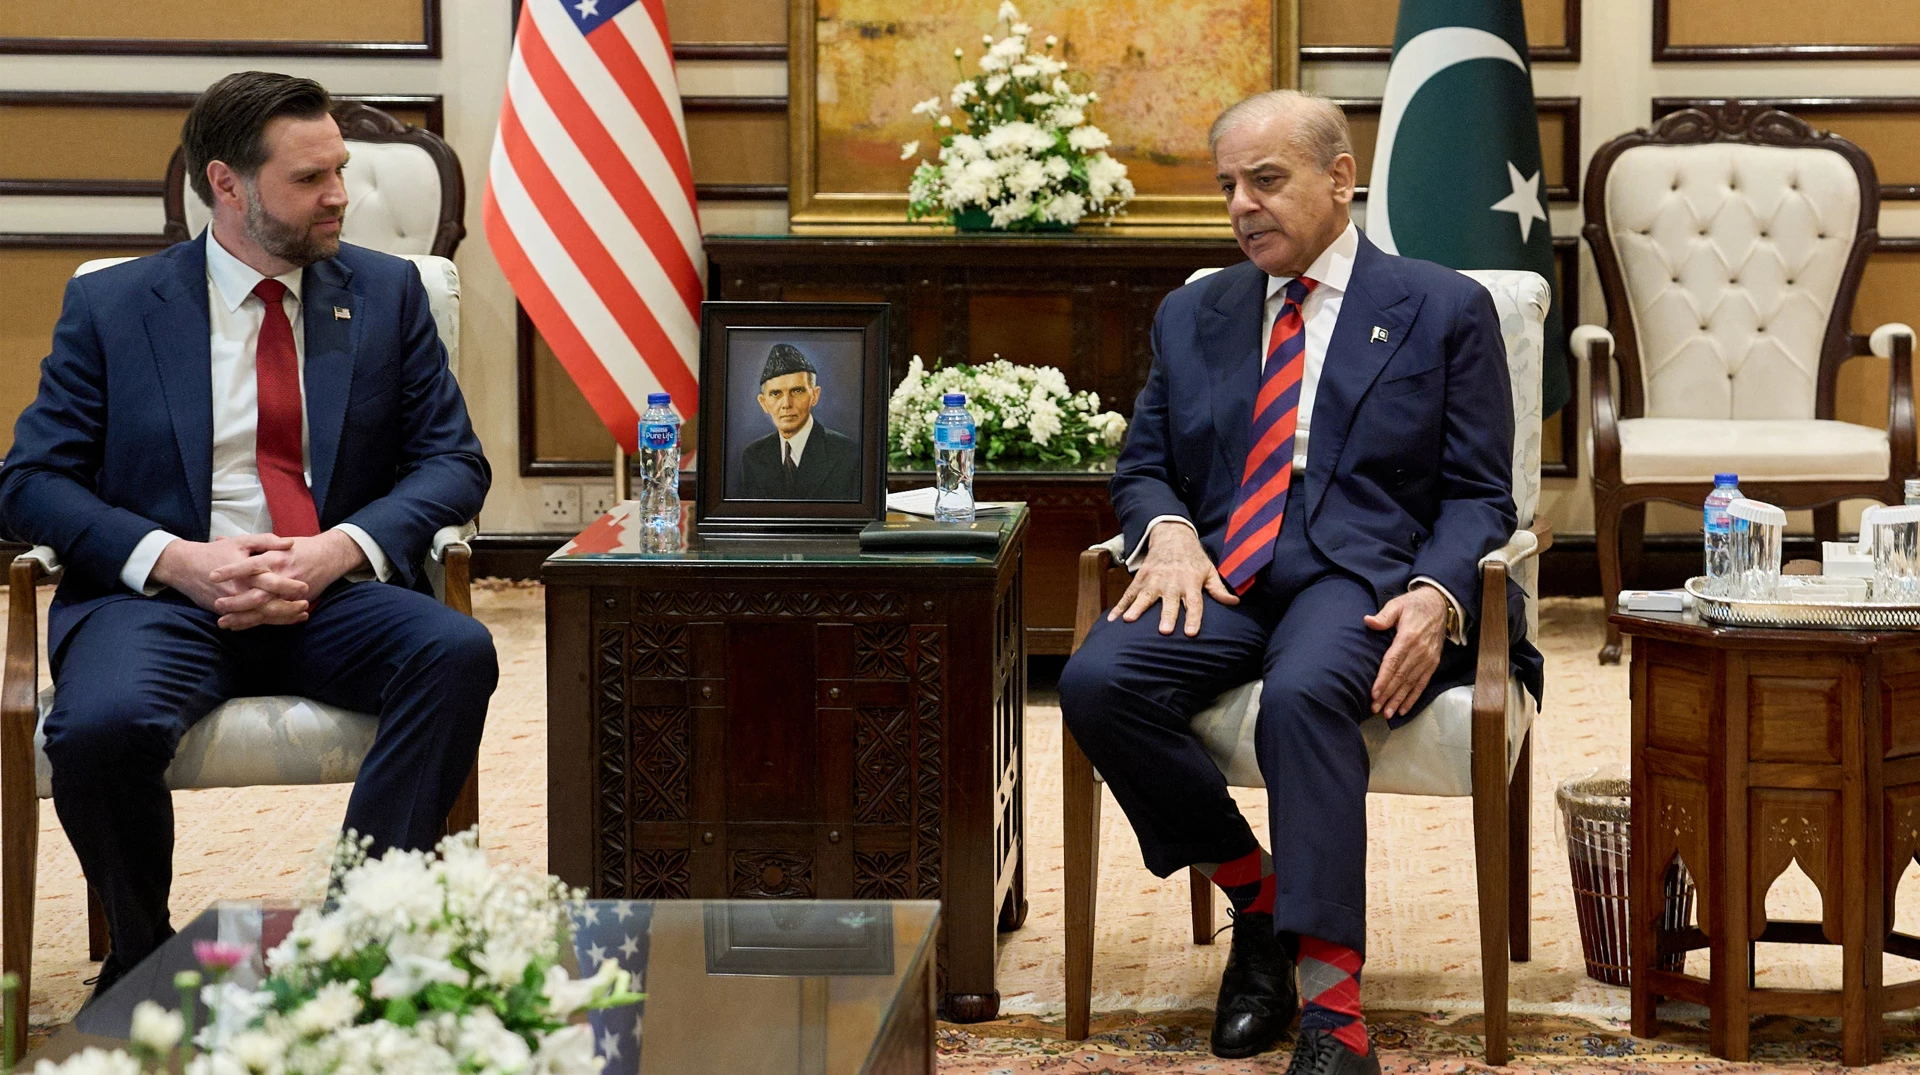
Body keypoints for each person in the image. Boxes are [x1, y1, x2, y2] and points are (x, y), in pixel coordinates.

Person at [1058, 90, 1543, 1073]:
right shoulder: (1195, 310)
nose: (1243, 205)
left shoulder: (1442, 306)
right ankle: (1262, 897)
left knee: (1304, 695)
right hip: (1224, 568)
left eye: (1267, 180)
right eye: (1228, 186)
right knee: (1098, 681)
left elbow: (1480, 493)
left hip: (1359, 572)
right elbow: (1144, 464)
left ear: (1339, 178)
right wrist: (1167, 531)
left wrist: (1438, 594)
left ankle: (1334, 1015)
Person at [0, 71, 495, 997]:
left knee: (456, 652)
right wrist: (176, 560)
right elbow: (28, 482)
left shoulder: (387, 293)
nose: (340, 194)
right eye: (311, 178)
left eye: (339, 170)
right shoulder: (116, 306)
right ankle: (143, 957)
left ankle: (361, 940)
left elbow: (453, 463)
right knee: (98, 726)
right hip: (164, 599)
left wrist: (338, 548)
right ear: (226, 184)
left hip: (329, 592)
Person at [737, 344, 861, 501]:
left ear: (815, 395)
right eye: (776, 393)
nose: (786, 404)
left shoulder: (847, 454)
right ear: (763, 403)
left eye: (797, 391)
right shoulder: (752, 457)